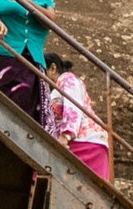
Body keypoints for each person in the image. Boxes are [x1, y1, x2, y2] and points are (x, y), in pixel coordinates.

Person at [43, 47, 111, 181]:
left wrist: (65, 135)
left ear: (52, 68)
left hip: (85, 141)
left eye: (42, 71)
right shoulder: (55, 89)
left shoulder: (68, 79)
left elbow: (72, 106)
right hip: (79, 141)